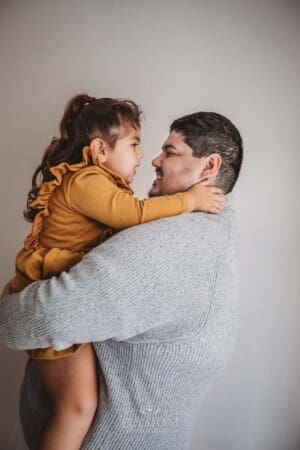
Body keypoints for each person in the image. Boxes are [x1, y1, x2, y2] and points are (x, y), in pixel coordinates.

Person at [0, 110, 243, 450]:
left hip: (113, 441)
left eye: (170, 152)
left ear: (209, 167)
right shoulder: (213, 232)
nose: (153, 160)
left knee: (76, 408)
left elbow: (45, 317)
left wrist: (9, 306)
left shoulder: (171, 243)